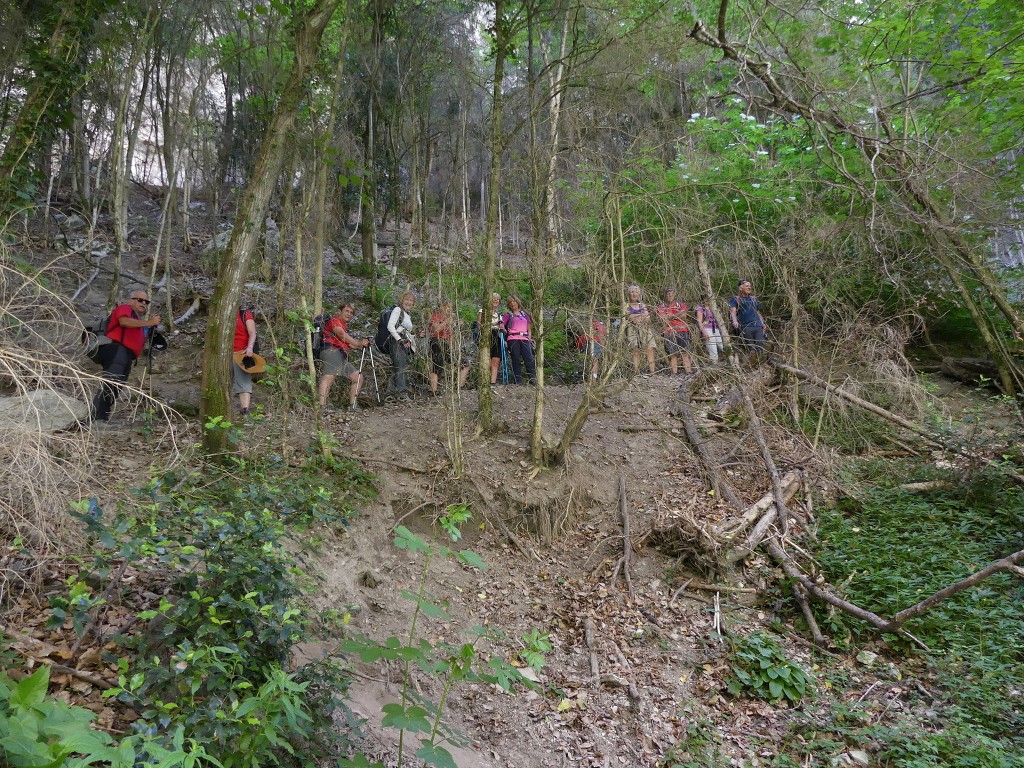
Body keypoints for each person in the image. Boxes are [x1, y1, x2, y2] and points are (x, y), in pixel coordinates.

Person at [91, 289, 161, 423]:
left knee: (117, 385)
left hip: (126, 355)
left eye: (146, 302)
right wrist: (149, 322)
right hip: (116, 349)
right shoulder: (124, 308)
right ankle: (97, 418)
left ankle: (101, 417)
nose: (143, 303)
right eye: (140, 300)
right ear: (131, 300)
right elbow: (123, 322)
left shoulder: (137, 321)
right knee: (111, 382)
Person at [319, 303, 370, 412]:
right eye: (347, 311)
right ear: (340, 311)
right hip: (331, 351)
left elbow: (347, 342)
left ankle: (353, 406)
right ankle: (322, 407)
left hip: (340, 356)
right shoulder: (335, 321)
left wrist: (361, 344)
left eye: (351, 313)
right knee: (329, 376)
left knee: (358, 377)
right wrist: (357, 343)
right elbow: (341, 334)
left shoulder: (343, 325)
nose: (349, 314)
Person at [428, 301, 470, 395]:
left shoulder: (449, 318)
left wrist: (458, 324)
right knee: (437, 365)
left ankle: (459, 386)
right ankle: (433, 390)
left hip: (446, 343)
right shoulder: (435, 316)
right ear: (441, 307)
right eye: (447, 307)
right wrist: (448, 321)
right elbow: (437, 329)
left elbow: (453, 334)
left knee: (464, 363)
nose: (449, 309)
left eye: (450, 307)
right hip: (436, 341)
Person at [385, 291, 417, 403]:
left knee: (397, 367)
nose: (409, 302)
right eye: (407, 299)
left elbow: (405, 331)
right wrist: (399, 340)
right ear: (402, 300)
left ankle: (389, 395)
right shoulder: (398, 310)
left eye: (411, 300)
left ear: (413, 304)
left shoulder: (407, 315)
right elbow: (390, 326)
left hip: (403, 342)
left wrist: (415, 336)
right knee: (401, 368)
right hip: (397, 342)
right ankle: (402, 394)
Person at [500, 296, 536, 385]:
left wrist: (529, 338)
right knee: (516, 359)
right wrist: (505, 334)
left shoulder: (525, 315)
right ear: (508, 305)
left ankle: (533, 380)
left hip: (524, 338)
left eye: (514, 301)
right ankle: (518, 381)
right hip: (513, 339)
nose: (512, 303)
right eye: (510, 302)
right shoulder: (508, 315)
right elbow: (501, 326)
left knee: (529, 359)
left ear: (518, 302)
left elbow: (529, 329)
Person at [656, 288, 692, 375]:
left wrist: (670, 316)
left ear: (675, 294)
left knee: (685, 352)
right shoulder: (661, 307)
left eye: (671, 293)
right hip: (668, 331)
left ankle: (689, 372)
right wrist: (677, 315)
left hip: (682, 329)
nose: (670, 295)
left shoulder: (681, 305)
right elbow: (662, 319)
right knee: (672, 353)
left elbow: (684, 316)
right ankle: (674, 373)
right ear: (665, 295)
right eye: (668, 293)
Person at [623, 284, 657, 377]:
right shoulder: (626, 305)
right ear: (629, 294)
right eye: (632, 292)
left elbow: (648, 317)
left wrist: (637, 317)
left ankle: (652, 372)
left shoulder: (642, 305)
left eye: (636, 292)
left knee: (650, 348)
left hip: (645, 329)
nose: (634, 294)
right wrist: (639, 317)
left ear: (639, 294)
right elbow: (630, 317)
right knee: (635, 349)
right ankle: (636, 372)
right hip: (632, 330)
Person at [729, 279, 767, 355]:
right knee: (751, 348)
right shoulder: (735, 299)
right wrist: (734, 321)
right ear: (740, 288)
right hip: (745, 326)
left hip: (758, 326)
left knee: (760, 347)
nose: (749, 287)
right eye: (747, 286)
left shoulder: (754, 299)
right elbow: (733, 312)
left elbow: (758, 312)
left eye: (750, 286)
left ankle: (760, 365)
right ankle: (753, 364)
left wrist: (763, 323)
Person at [233, 305, 258, 416]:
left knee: (243, 381)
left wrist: (250, 347)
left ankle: (245, 410)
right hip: (225, 354)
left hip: (241, 353)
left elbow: (252, 332)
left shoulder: (244, 313)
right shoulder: (222, 314)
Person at [477, 292, 506, 384]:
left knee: (496, 360)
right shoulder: (483, 311)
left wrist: (503, 329)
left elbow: (503, 330)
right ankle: (484, 382)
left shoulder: (499, 315)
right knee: (487, 360)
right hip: (487, 336)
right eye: (494, 298)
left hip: (497, 336)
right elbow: (479, 325)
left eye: (497, 299)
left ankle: (492, 382)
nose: (496, 300)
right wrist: (494, 324)